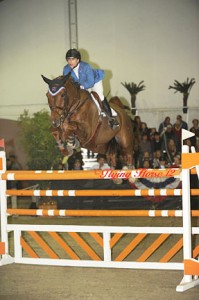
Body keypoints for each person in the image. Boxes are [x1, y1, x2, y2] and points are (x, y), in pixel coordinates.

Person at [63, 48, 119, 129]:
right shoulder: (66, 69)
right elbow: (66, 82)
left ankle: (111, 118)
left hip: (94, 81)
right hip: (80, 85)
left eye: (73, 59)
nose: (70, 62)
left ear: (78, 60)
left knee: (99, 95)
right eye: (68, 59)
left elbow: (90, 82)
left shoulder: (86, 66)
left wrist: (81, 87)